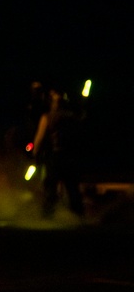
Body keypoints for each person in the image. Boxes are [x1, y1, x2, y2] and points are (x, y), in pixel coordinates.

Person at [31, 84, 85, 218]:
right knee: (72, 189)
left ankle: (49, 217)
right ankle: (78, 217)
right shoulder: (71, 116)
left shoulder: (48, 117)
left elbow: (39, 138)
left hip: (56, 158)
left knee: (52, 189)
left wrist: (35, 154)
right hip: (68, 157)